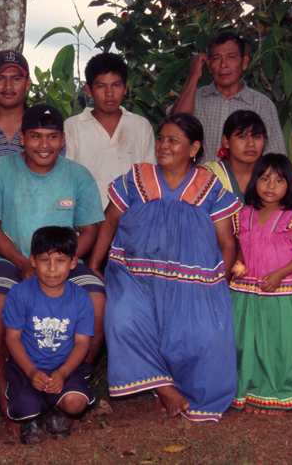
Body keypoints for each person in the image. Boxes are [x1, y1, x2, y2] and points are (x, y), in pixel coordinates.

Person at [89, 113, 240, 422]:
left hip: (193, 280)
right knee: (122, 318)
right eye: (160, 138)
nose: (163, 145)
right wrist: (94, 265)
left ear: (194, 147)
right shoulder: (136, 178)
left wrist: (217, 282)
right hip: (134, 275)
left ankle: (175, 387)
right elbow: (109, 222)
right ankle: (165, 389)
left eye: (173, 140)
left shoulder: (210, 187)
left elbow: (227, 242)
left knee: (204, 333)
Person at [0, 104, 105, 432]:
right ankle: (7, 393)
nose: (44, 145)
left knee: (96, 300)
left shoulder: (77, 175)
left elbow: (91, 228)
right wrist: (23, 262)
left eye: (52, 137)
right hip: (11, 258)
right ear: (22, 138)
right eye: (35, 136)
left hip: (64, 259)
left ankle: (71, 381)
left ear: (63, 140)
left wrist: (65, 262)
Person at [229, 154, 292, 415]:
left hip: (283, 292)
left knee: (280, 345)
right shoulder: (243, 215)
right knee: (247, 343)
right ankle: (250, 392)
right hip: (247, 292)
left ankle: (279, 395)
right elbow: (239, 247)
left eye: (279, 180)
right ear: (254, 181)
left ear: (288, 185)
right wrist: (239, 263)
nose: (270, 185)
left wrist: (279, 273)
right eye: (264, 178)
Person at [3, 227, 96, 445]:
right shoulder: (20, 293)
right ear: (32, 261)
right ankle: (33, 417)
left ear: (73, 262)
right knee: (25, 408)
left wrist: (63, 373)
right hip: (29, 366)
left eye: (60, 261)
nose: (52, 269)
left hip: (65, 367)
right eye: (45, 260)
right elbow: (12, 338)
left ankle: (57, 407)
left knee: (75, 404)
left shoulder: (81, 298)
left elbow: (83, 342)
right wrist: (31, 371)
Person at [168, 32, 286, 165]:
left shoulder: (262, 104)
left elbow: (276, 157)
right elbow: (174, 128)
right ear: (209, 66)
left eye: (231, 57)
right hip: (198, 183)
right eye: (217, 58)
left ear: (245, 62)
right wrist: (193, 76)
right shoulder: (196, 98)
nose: (223, 65)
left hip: (244, 184)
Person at [65, 52, 155, 207]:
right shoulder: (74, 126)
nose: (109, 93)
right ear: (88, 90)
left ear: (126, 87)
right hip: (86, 221)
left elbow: (149, 179)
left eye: (116, 85)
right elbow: (66, 178)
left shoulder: (141, 126)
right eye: (101, 86)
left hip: (130, 221)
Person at [204, 110, 266, 201]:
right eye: (242, 137)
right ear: (226, 141)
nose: (251, 144)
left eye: (257, 137)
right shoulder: (209, 174)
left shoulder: (273, 176)